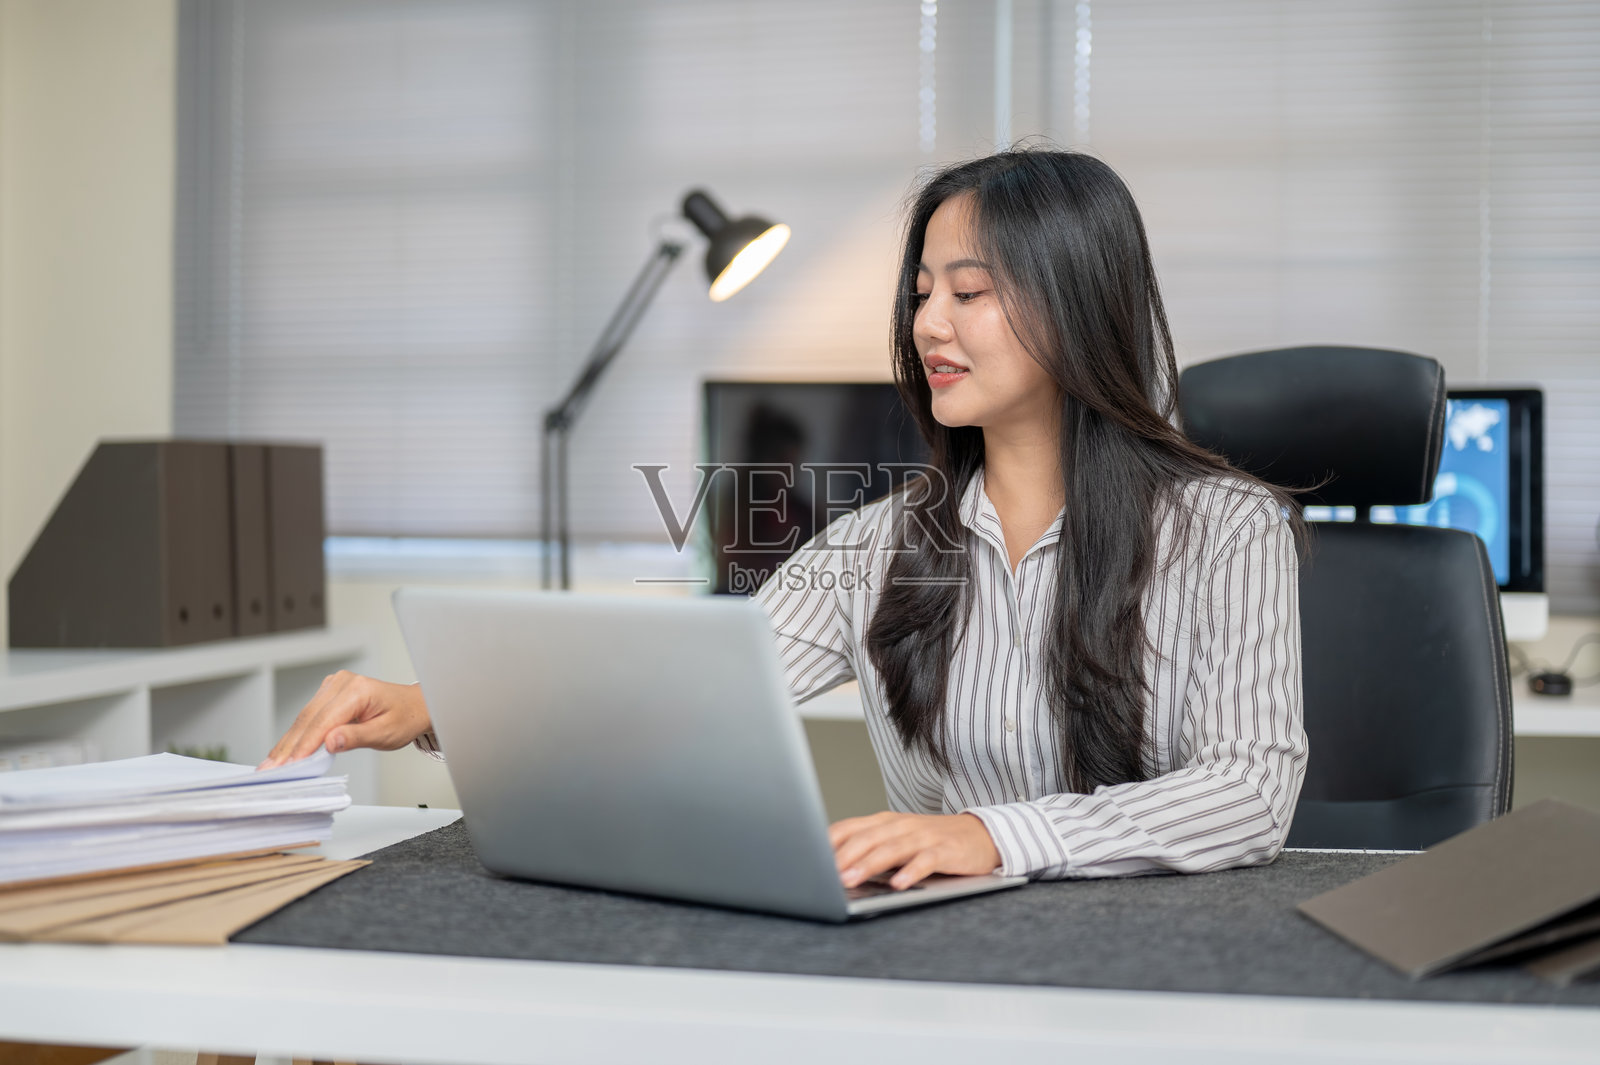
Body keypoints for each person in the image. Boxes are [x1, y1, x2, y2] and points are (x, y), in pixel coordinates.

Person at [261, 148, 1307, 891]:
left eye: (971, 292)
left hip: (1159, 964)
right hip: (937, 957)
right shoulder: (881, 542)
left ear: (1078, 308)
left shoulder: (1227, 531)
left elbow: (1250, 792)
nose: (928, 324)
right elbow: (680, 690)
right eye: (921, 292)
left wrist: (994, 836)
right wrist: (431, 702)